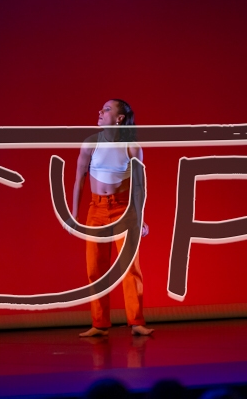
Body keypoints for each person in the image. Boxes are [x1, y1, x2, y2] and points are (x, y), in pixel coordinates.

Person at [72, 99, 154, 337]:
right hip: (96, 210)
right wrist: (73, 214)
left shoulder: (132, 147)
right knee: (95, 268)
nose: (100, 111)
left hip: (123, 210)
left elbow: (138, 186)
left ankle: (136, 321)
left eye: (107, 109)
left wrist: (140, 217)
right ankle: (99, 323)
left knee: (130, 268)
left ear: (119, 119)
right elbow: (79, 179)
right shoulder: (90, 143)